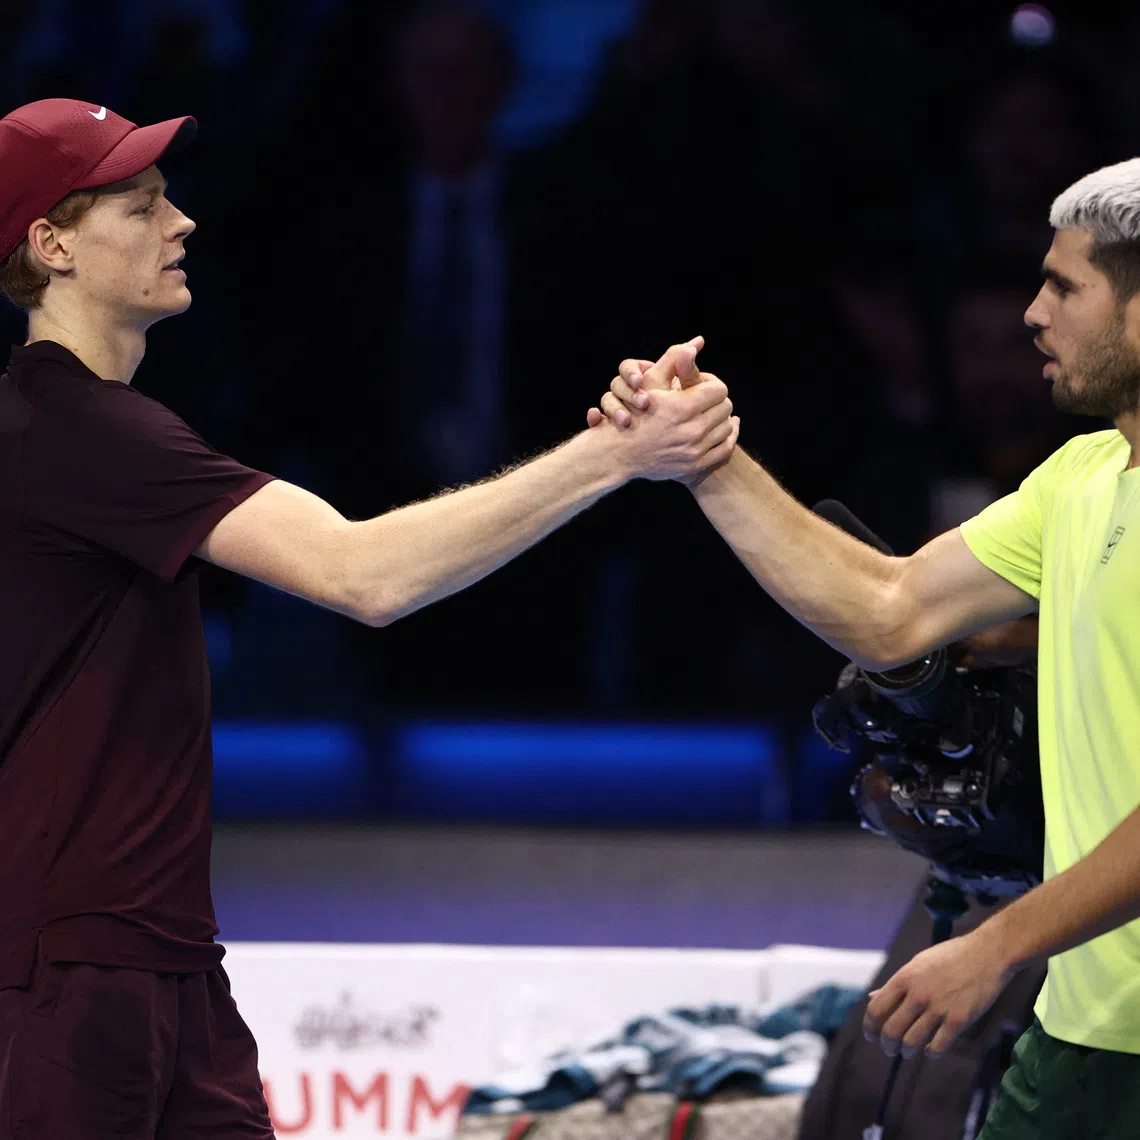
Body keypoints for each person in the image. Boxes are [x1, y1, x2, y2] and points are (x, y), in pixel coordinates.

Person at [0, 97, 737, 1138]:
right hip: (68, 972)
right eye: (141, 202)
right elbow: (365, 576)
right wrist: (616, 454)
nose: (182, 222)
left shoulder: (77, 428)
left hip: (151, 957)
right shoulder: (75, 427)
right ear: (51, 244)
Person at [595, 157, 1140, 1137]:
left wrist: (995, 944)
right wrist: (705, 462)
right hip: (1084, 1033)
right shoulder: (1085, 475)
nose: (1030, 314)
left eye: (1065, 285)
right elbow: (888, 606)